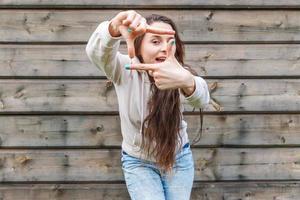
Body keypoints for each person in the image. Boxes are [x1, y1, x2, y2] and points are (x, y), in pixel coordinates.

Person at [86, 10, 210, 200]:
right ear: (139, 46)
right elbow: (96, 53)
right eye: (155, 41)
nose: (164, 48)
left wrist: (187, 81)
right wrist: (113, 27)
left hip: (178, 158)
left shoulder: (178, 74)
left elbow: (202, 99)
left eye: (170, 42)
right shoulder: (124, 69)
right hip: (138, 162)